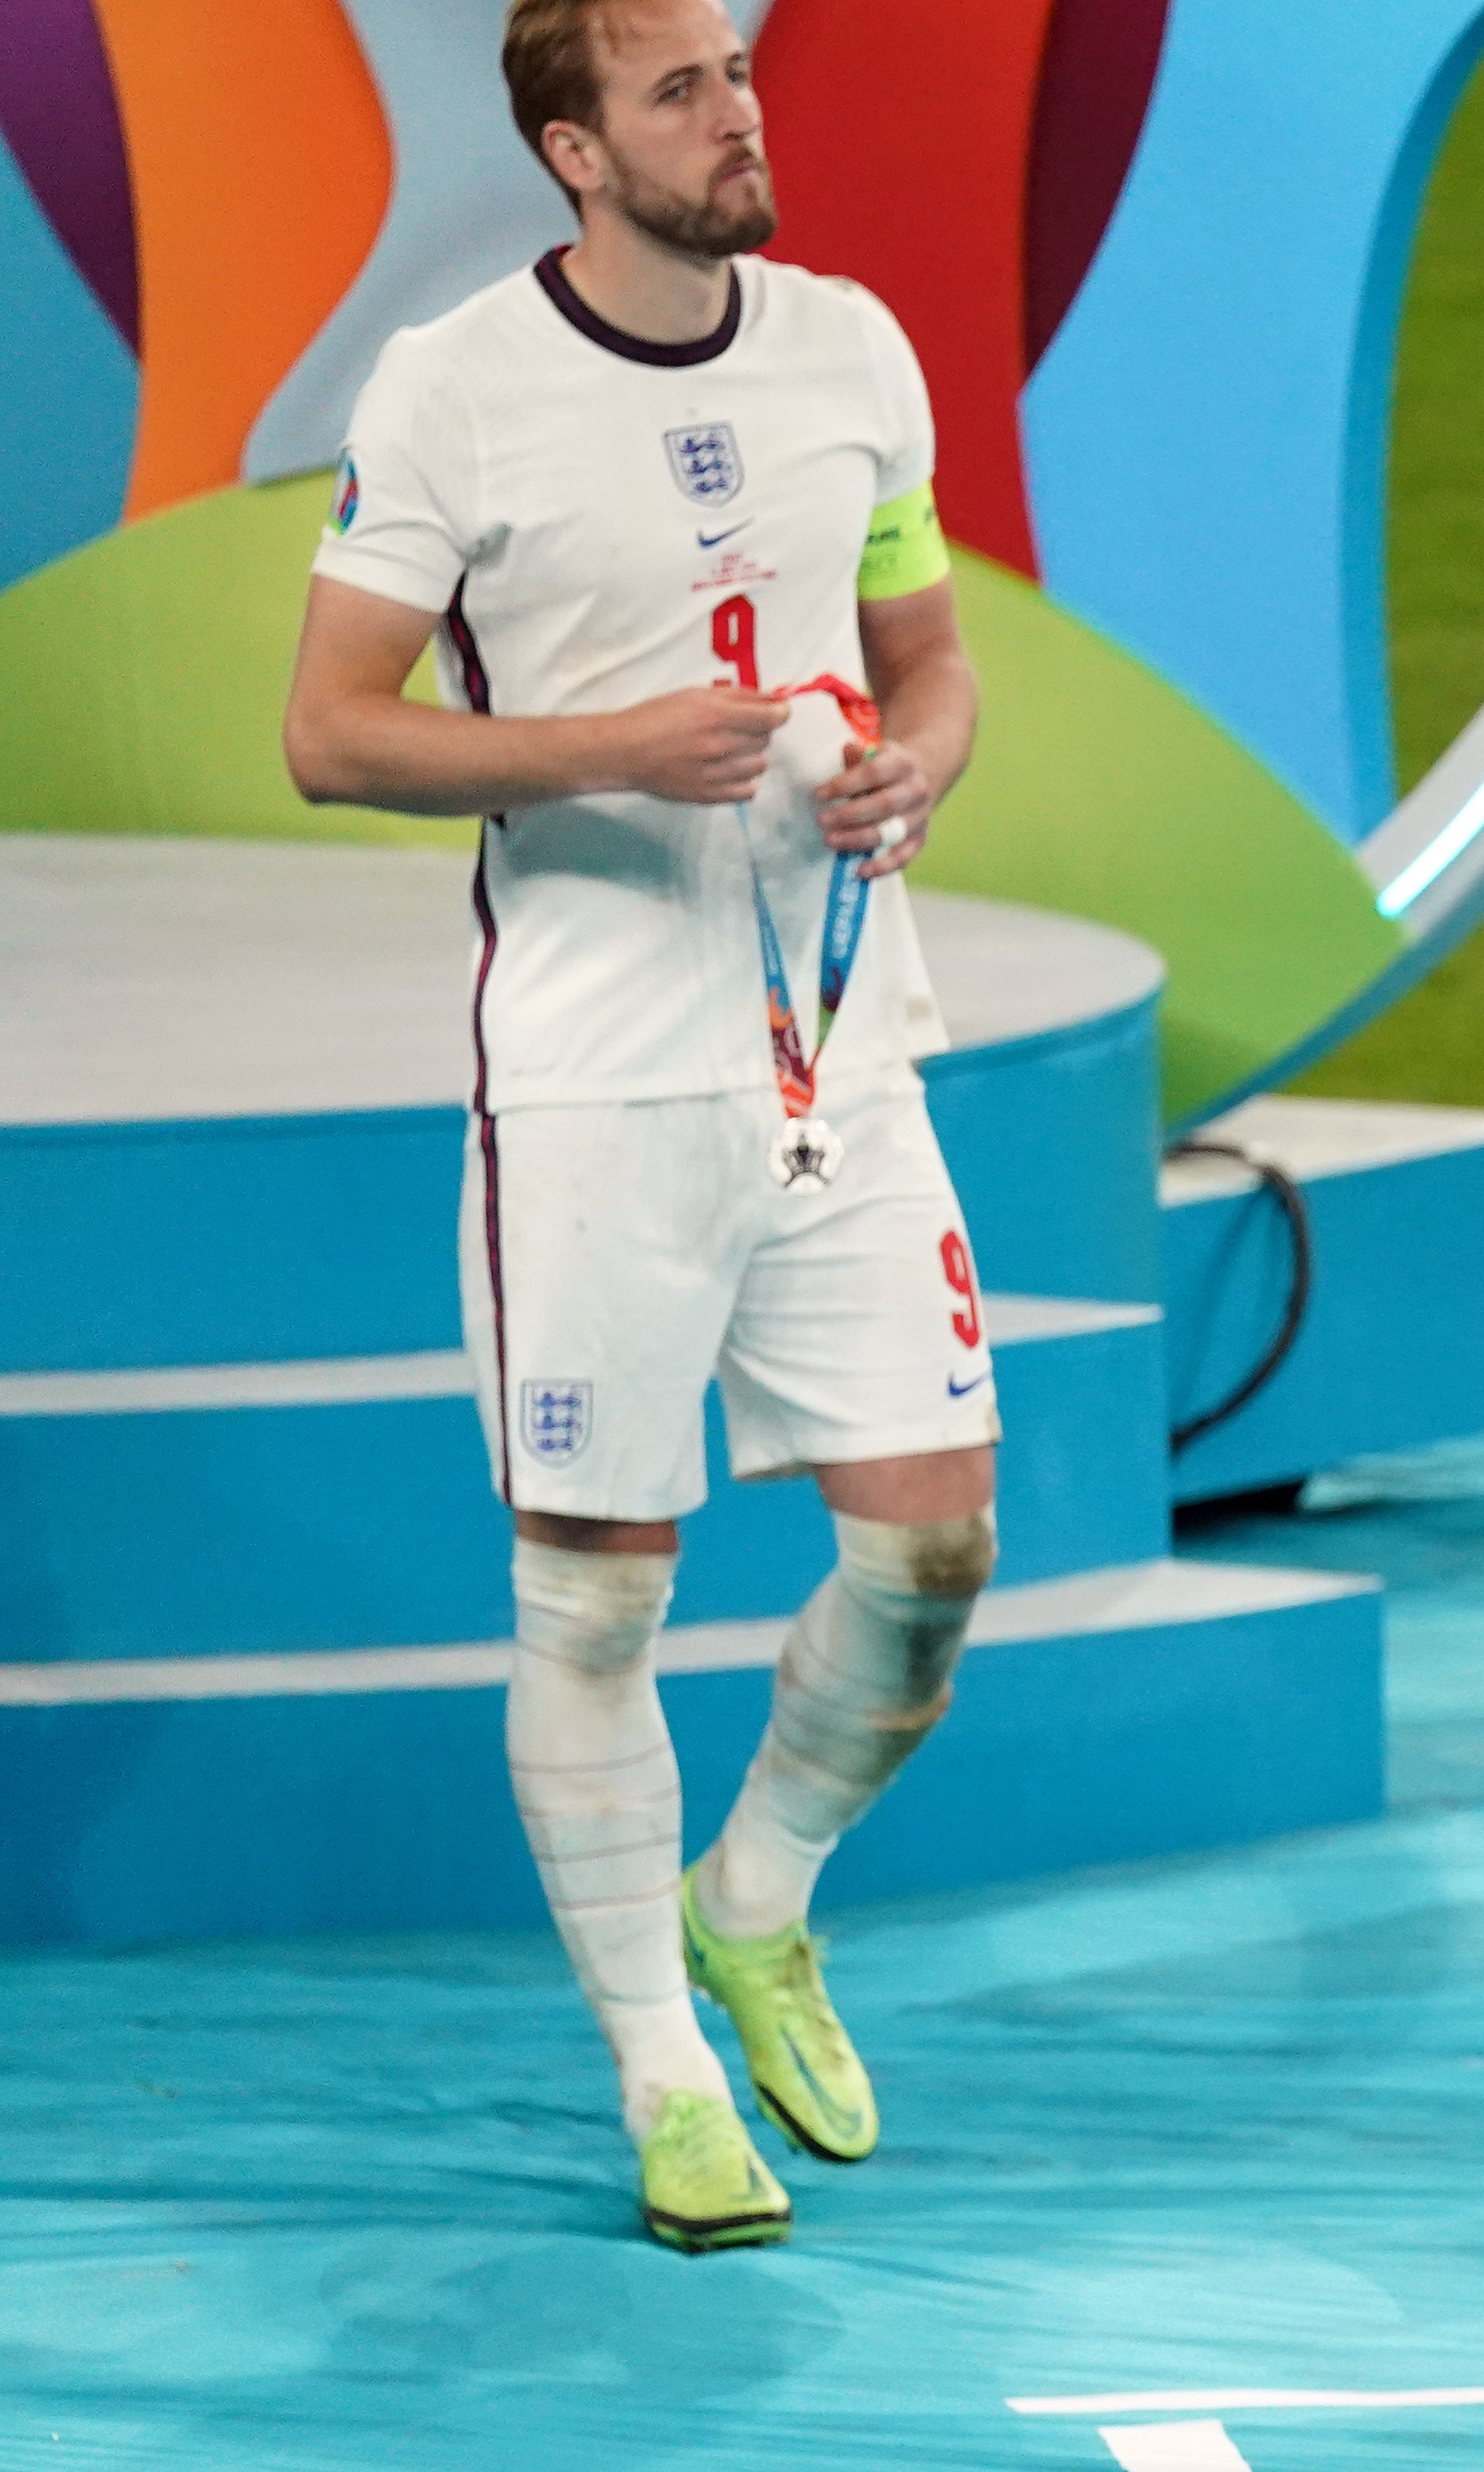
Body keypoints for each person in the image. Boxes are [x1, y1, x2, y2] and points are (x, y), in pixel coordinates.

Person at [280, 0, 992, 2255]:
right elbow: (331, 734)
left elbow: (932, 654)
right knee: (597, 1599)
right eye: (683, 90)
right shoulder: (452, 388)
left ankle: (754, 1898)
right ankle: (665, 2082)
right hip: (591, 1082)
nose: (739, 114)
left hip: (841, 1049)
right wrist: (613, 747)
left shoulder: (854, 351)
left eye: (740, 74)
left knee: (935, 1547)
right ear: (578, 152)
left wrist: (917, 762)